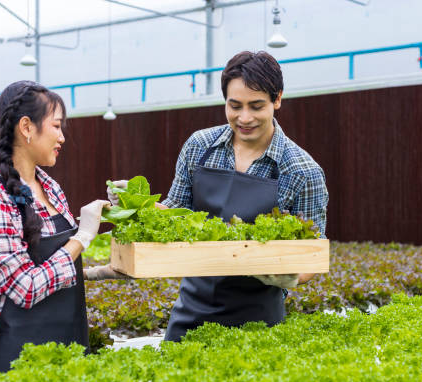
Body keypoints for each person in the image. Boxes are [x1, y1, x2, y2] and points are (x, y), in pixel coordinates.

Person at [109, 51, 329, 342]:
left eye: (256, 106)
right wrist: (138, 208)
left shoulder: (302, 171)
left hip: (259, 319)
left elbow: (311, 258)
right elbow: (175, 215)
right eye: (234, 105)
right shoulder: (200, 147)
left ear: (277, 100)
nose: (244, 117)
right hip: (191, 308)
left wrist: (283, 275)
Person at [0, 80, 122, 375]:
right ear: (26, 127)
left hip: (71, 344)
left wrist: (98, 272)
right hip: (21, 356)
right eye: (57, 126)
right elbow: (25, 288)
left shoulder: (50, 187)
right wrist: (83, 237)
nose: (62, 137)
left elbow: (53, 269)